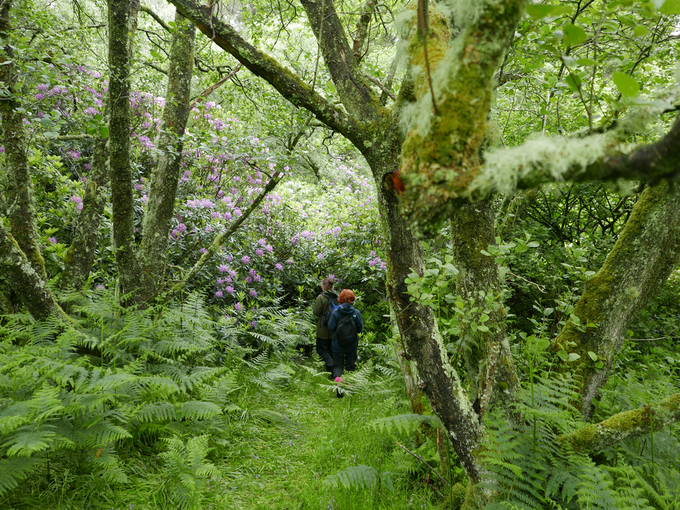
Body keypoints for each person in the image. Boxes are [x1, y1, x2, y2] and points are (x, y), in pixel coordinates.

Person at [328, 289, 363, 384]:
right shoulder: (356, 313)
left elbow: (331, 327)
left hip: (337, 344)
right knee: (350, 367)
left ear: (340, 299)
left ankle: (339, 385)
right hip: (352, 344)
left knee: (337, 365)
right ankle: (349, 385)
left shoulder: (336, 312)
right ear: (352, 299)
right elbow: (359, 329)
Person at [312, 277, 338, 374]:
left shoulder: (321, 297)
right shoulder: (337, 296)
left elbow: (315, 312)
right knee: (331, 351)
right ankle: (332, 373)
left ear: (324, 287)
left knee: (321, 349)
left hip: (323, 329)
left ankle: (330, 365)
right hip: (334, 329)